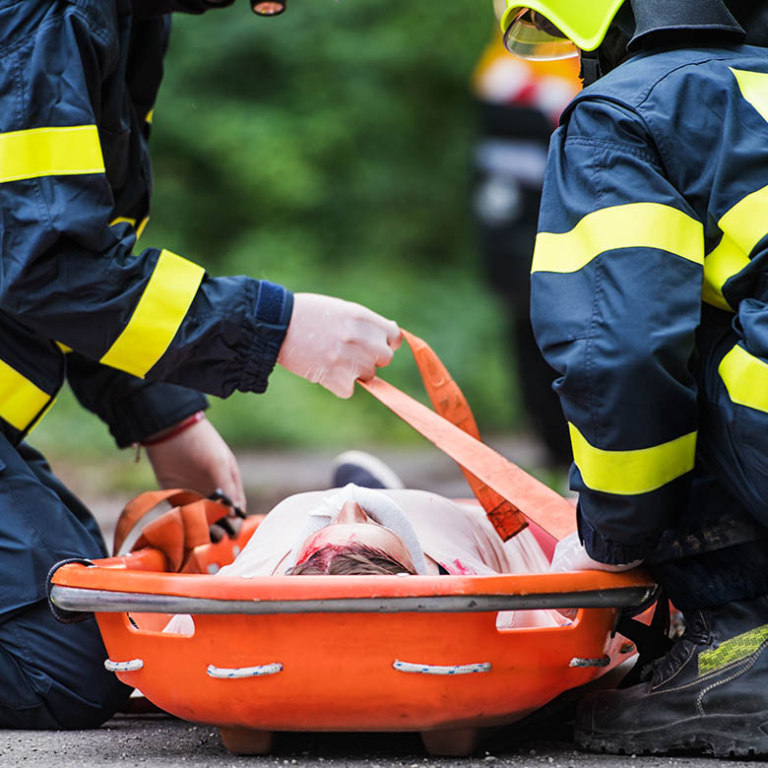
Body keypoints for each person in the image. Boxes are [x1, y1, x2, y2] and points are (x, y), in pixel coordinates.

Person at [0, 1, 400, 730]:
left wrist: (163, 416)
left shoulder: (125, 15)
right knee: (55, 664)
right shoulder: (45, 15)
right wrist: (277, 328)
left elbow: (60, 243)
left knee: (101, 604)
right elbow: (45, 268)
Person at [500, 0, 768, 757]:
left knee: (681, 351)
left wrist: (614, 533)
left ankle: (742, 640)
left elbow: (619, 352)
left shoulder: (629, 111)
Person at [164, 452, 563, 635]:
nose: (348, 501)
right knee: (566, 532)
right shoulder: (483, 593)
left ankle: (387, 493)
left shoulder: (245, 579)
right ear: (418, 568)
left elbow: (174, 629)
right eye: (377, 523)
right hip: (459, 525)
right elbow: (570, 624)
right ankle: (390, 495)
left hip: (291, 530)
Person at [471, 12, 581, 466]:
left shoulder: (504, 69)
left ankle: (563, 445)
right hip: (526, 237)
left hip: (529, 237)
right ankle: (556, 446)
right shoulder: (506, 73)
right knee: (534, 334)